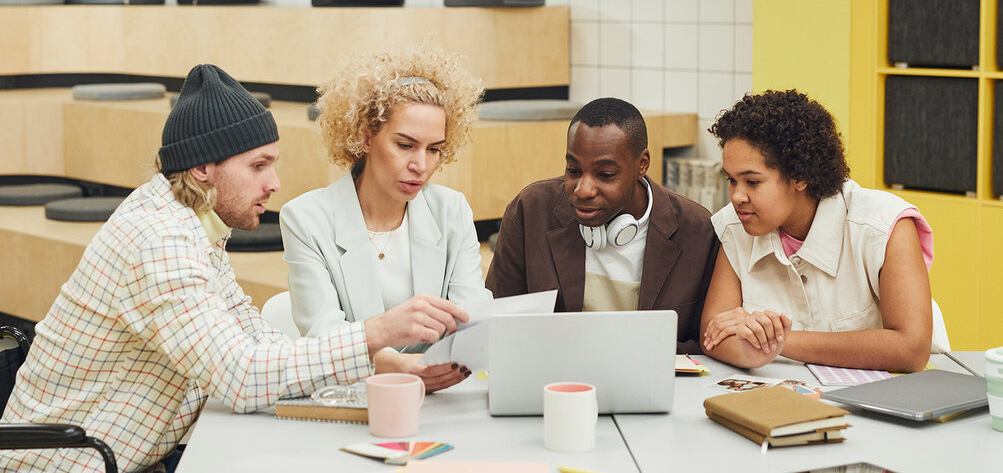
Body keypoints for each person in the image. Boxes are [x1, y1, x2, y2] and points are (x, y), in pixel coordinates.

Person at [0, 64, 468, 473]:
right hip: (69, 463)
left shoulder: (195, 225)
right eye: (258, 166)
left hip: (125, 456)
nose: (274, 183)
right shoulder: (160, 241)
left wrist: (378, 363)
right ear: (205, 168)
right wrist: (376, 333)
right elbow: (242, 377)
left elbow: (255, 341)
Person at [279, 46, 490, 392]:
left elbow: (472, 319)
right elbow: (324, 338)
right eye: (405, 145)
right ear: (365, 136)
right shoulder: (306, 219)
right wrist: (398, 366)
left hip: (445, 397)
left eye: (434, 149)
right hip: (357, 396)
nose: (421, 166)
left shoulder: (452, 211)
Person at [700, 89, 933, 372]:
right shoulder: (733, 224)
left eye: (752, 182)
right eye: (731, 180)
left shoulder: (884, 225)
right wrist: (747, 352)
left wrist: (778, 341)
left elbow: (911, 349)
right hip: (776, 398)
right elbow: (712, 335)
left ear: (800, 177)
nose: (737, 196)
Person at [485, 98, 719, 354]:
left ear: (642, 164)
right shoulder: (530, 211)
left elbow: (706, 344)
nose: (583, 190)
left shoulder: (697, 230)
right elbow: (497, 325)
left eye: (605, 175)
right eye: (573, 170)